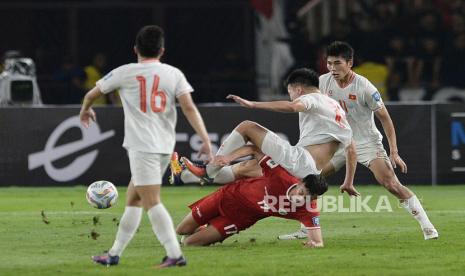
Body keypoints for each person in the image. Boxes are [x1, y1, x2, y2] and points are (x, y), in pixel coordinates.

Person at [79, 25, 213, 268]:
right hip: (162, 145)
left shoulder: (124, 72)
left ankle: (175, 254)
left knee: (151, 201)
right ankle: (113, 254)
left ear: (135, 49)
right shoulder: (173, 74)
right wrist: (204, 139)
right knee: (133, 200)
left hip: (143, 147)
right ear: (162, 50)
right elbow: (189, 107)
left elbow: (91, 93)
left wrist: (85, 110)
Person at [279, 41, 438, 240]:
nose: (332, 68)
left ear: (350, 62)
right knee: (310, 181)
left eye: (337, 63)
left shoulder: (365, 87)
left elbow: (385, 118)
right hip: (336, 142)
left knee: (390, 183)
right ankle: (307, 228)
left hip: (365, 142)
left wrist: (394, 151)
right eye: (329, 63)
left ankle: (427, 226)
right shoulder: (322, 82)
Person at [182, 68, 359, 197]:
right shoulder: (337, 109)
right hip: (309, 170)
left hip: (300, 161)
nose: (291, 96)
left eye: (290, 92)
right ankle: (187, 176)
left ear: (298, 89)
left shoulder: (310, 98)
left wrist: (252, 104)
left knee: (247, 127)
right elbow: (351, 149)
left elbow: (292, 106)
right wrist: (348, 182)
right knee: (248, 168)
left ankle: (208, 170)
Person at [175, 145, 327, 247]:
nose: (299, 199)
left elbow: (318, 241)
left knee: (188, 243)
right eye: (301, 192)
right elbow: (253, 148)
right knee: (180, 230)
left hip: (238, 220)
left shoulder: (308, 209)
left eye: (306, 198)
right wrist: (229, 158)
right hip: (225, 196)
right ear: (300, 182)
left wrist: (315, 244)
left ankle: (205, 229)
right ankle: (202, 225)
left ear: (313, 199)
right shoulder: (280, 175)